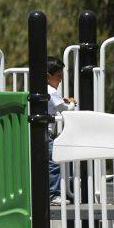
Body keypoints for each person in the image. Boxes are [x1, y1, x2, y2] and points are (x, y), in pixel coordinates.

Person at [47, 57, 76, 195]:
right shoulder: (51, 91)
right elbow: (66, 110)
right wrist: (72, 103)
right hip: (45, 134)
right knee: (54, 161)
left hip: (40, 133)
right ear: (48, 76)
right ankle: (53, 194)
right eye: (58, 76)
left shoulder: (44, 90)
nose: (61, 80)